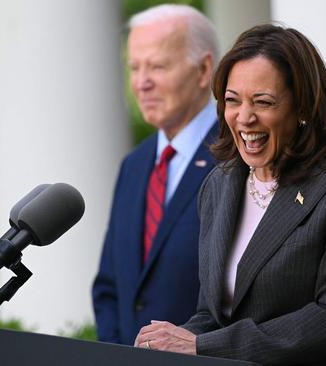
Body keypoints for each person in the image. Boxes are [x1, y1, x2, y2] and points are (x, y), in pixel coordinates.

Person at [134, 24, 326, 365]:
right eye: (232, 101)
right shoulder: (219, 185)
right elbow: (214, 315)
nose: (244, 118)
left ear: (302, 107)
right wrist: (167, 343)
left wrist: (201, 347)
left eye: (263, 102)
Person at [92, 4, 220, 346]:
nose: (142, 83)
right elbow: (109, 286)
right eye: (134, 68)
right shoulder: (134, 164)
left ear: (204, 69)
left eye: (158, 66)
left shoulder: (237, 156)